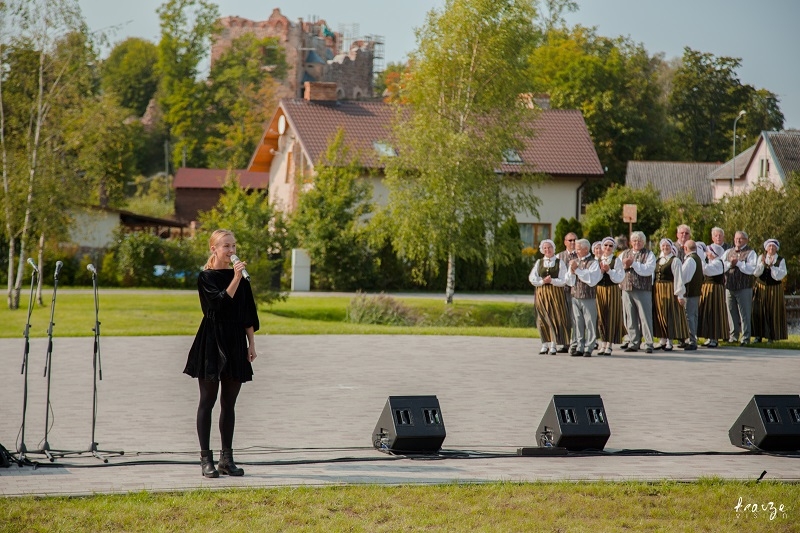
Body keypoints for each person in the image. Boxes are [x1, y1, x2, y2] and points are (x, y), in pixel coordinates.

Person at [184, 229, 260, 478]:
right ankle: (206, 460)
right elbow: (217, 306)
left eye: (234, 246)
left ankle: (227, 458)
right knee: (208, 400)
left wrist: (251, 344)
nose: (231, 251)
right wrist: (236, 278)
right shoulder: (206, 277)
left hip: (235, 341)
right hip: (212, 341)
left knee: (230, 403)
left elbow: (247, 313)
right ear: (214, 249)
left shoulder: (242, 279)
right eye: (226, 246)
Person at [528, 239, 570, 355]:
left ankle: (553, 344)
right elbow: (532, 278)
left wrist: (552, 281)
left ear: (553, 249)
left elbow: (564, 280)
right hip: (541, 293)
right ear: (542, 250)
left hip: (555, 293)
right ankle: (544, 344)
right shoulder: (539, 262)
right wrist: (542, 281)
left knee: (554, 317)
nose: (547, 250)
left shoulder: (559, 262)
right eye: (545, 248)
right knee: (541, 318)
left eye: (549, 247)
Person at [619, 231, 656, 353]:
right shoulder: (624, 254)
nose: (637, 243)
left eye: (639, 241)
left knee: (645, 317)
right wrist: (624, 267)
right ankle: (634, 341)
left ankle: (649, 342)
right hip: (627, 288)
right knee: (629, 316)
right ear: (631, 242)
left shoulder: (649, 254)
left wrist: (633, 264)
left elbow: (648, 270)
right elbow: (618, 268)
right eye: (634, 240)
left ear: (643, 242)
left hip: (642, 289)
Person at [566, 239, 602, 357]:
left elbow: (591, 280)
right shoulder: (575, 261)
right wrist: (571, 272)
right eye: (576, 248)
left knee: (590, 322)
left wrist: (577, 270)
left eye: (578, 248)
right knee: (577, 322)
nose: (576, 251)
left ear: (586, 249)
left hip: (588, 297)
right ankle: (579, 346)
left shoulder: (593, 263)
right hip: (575, 296)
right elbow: (570, 281)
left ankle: (589, 347)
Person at [653, 239, 688, 350]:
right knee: (660, 313)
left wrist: (680, 295)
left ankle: (670, 341)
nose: (665, 247)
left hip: (669, 288)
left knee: (669, 314)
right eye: (663, 245)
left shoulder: (675, 260)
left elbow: (678, 278)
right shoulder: (658, 260)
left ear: (671, 247)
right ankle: (662, 339)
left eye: (667, 245)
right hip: (658, 290)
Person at [724, 231, 757, 345]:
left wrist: (738, 263)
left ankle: (746, 337)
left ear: (746, 240)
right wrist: (730, 264)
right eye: (736, 238)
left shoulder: (750, 253)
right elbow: (722, 265)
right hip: (729, 286)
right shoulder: (729, 251)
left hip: (744, 287)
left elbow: (751, 269)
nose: (738, 240)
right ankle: (733, 336)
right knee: (731, 312)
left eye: (741, 239)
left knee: (744, 313)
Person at [752, 239, 788, 343]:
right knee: (758, 310)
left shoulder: (780, 260)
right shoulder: (761, 258)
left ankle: (771, 336)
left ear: (777, 248)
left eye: (773, 247)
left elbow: (779, 276)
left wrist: (772, 266)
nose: (771, 248)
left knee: (773, 311)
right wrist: (763, 264)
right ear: (766, 248)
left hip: (774, 289)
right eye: (769, 246)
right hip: (761, 287)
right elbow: (756, 273)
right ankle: (758, 336)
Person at [596, 236, 625, 355]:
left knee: (611, 315)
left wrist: (609, 271)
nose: (607, 248)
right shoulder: (597, 260)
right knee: (601, 317)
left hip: (612, 290)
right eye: (605, 245)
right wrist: (601, 272)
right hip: (599, 290)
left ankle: (609, 344)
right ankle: (603, 342)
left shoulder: (616, 260)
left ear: (613, 248)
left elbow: (619, 277)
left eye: (610, 246)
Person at [698, 243, 728, 348]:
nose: (707, 253)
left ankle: (714, 338)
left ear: (714, 253)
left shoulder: (718, 263)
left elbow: (706, 270)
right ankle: (708, 336)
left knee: (714, 312)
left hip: (715, 290)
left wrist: (700, 258)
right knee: (707, 312)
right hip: (707, 289)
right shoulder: (712, 262)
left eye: (708, 251)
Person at [556, 232, 579, 353]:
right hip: (562, 291)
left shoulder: (581, 255)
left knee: (575, 318)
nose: (573, 242)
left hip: (577, 291)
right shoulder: (559, 256)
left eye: (575, 240)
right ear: (565, 242)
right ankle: (565, 343)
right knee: (563, 317)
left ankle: (576, 343)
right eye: (570, 240)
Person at [681, 240, 703, 351]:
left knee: (689, 317)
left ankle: (691, 340)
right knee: (693, 316)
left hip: (689, 292)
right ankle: (690, 339)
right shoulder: (698, 258)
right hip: (695, 292)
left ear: (685, 248)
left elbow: (684, 277)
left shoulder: (690, 260)